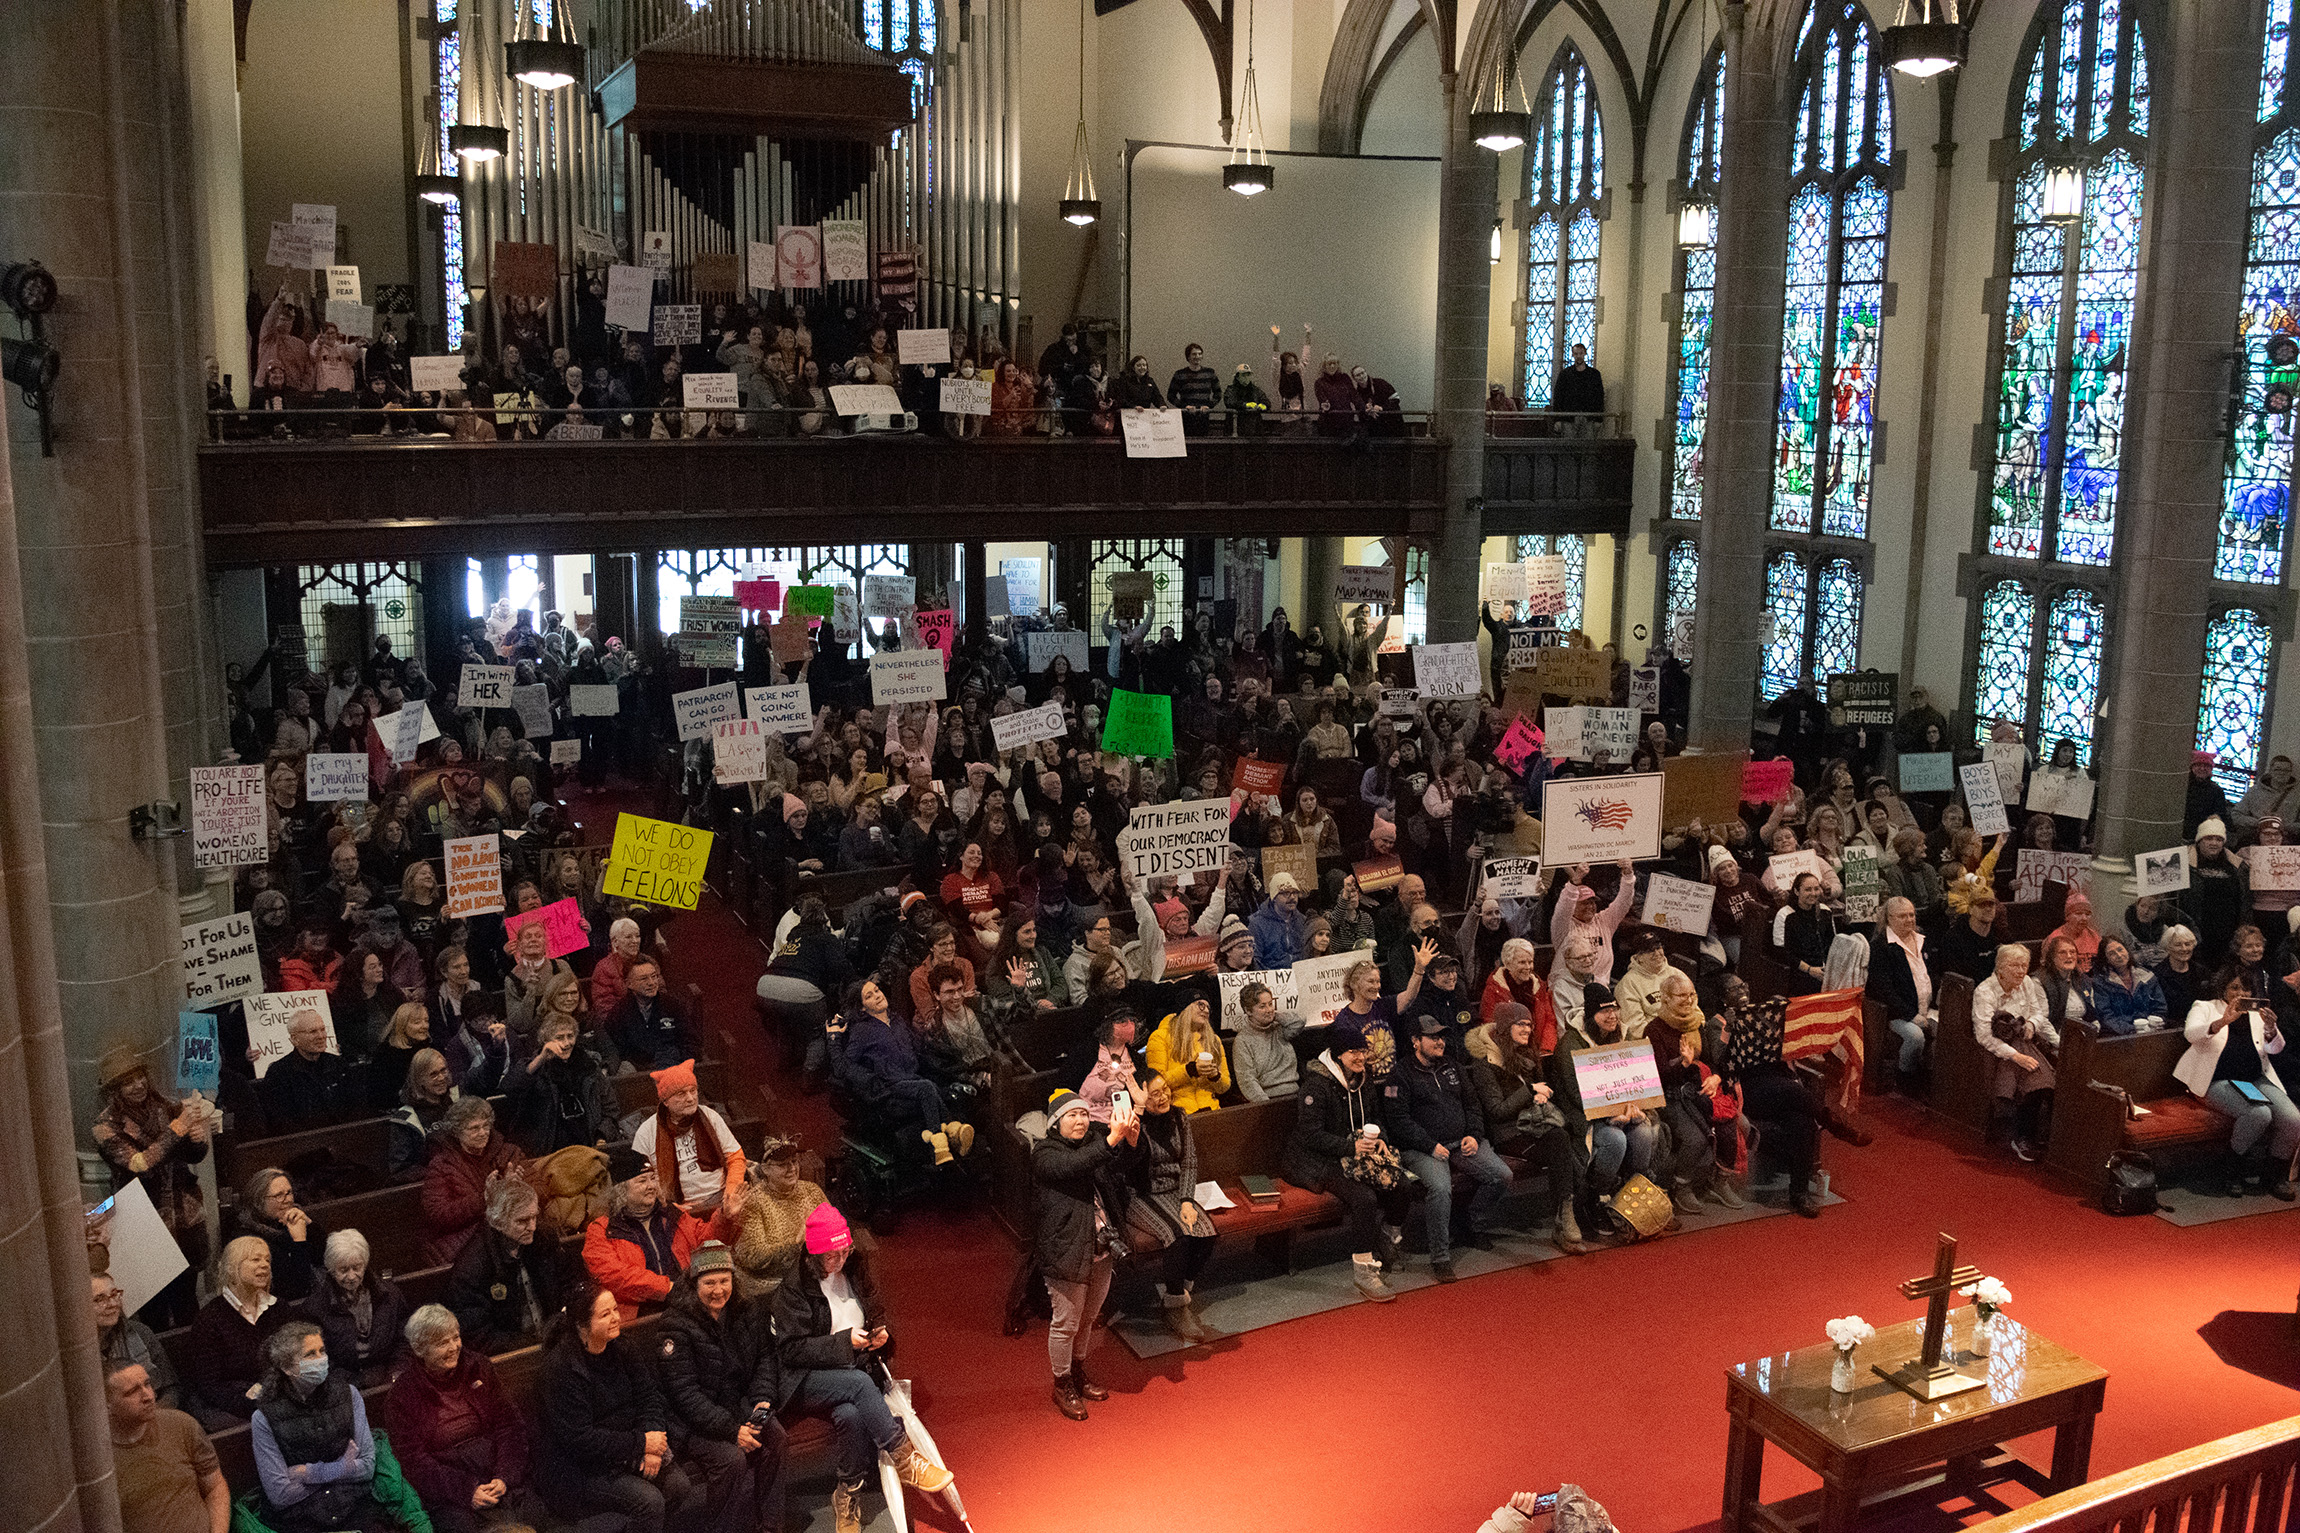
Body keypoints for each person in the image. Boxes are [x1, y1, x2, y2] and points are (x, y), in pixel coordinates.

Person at [772, 1204, 951, 1525]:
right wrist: (845, 1343)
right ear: (813, 1255)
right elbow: (791, 1351)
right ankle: (905, 1458)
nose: (840, 1261)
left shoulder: (854, 1268)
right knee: (859, 1386)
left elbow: (875, 1309)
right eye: (832, 1256)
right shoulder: (793, 1289)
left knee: (851, 1415)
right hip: (804, 1379)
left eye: (845, 1251)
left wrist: (881, 1334)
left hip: (850, 1372)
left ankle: (847, 1493)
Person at [539, 1279, 709, 1533]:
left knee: (678, 1486)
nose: (616, 1318)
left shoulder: (621, 1347)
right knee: (648, 1502)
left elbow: (649, 1396)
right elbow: (580, 1438)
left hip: (631, 1446)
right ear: (582, 1325)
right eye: (605, 1314)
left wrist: (651, 1443)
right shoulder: (562, 1368)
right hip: (585, 1468)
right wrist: (640, 1443)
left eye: (616, 1309)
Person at [658, 1241, 790, 1533]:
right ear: (694, 1284)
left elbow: (765, 1358)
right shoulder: (675, 1325)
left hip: (736, 1406)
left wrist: (763, 1400)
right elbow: (685, 1396)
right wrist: (733, 1431)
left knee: (775, 1437)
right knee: (731, 1460)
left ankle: (770, 1526)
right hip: (690, 1422)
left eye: (724, 1281)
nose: (718, 1290)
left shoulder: (747, 1310)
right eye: (709, 1283)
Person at [386, 1305, 551, 1533]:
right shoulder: (403, 1394)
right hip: (450, 1492)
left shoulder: (478, 1367)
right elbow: (414, 1461)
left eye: (456, 1337)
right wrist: (466, 1490)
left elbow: (509, 1425)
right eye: (442, 1343)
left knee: (532, 1517)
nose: (454, 1347)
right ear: (419, 1349)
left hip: (496, 1473)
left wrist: (504, 1476)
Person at [1283, 1020, 1412, 1300]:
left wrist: (1381, 1140)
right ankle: (1364, 1271)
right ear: (1337, 1055)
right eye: (1352, 1051)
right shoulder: (1316, 1087)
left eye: (1362, 1051)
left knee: (1402, 1185)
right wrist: (1351, 1147)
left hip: (1357, 1154)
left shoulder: (1363, 1081)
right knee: (1364, 1199)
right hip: (1317, 1161)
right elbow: (1310, 1137)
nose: (1359, 1057)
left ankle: (1387, 1236)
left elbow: (1377, 1118)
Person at [1385, 1015, 1514, 1280]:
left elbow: (1472, 1105)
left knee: (1502, 1176)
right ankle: (1440, 1256)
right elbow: (1398, 1121)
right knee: (1441, 1188)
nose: (1439, 1041)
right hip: (1421, 1149)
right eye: (1433, 1037)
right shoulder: (1399, 1074)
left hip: (1461, 1143)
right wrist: (1430, 1145)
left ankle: (1469, 1221)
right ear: (1415, 1041)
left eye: (1441, 1036)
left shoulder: (1452, 1066)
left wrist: (1474, 1135)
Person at [92, 1043, 211, 1327]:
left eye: (139, 1077)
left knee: (186, 1298)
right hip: (141, 1218)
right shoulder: (104, 1127)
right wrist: (178, 1129)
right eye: (127, 1082)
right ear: (114, 1091)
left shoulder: (167, 1107)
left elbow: (192, 1156)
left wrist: (197, 1140)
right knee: (154, 1304)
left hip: (183, 1214)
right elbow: (139, 1164)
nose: (138, 1085)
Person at [1033, 1090, 1136, 1414]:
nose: (1079, 1121)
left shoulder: (1095, 1140)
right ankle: (1061, 1384)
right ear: (1055, 1123)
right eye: (1071, 1116)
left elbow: (1123, 1168)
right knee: (1066, 1321)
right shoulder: (1045, 1153)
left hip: (1101, 1246)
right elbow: (1072, 1166)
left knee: (1089, 1317)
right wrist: (1110, 1142)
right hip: (1066, 1248)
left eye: (1082, 1114)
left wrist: (1130, 1140)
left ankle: (1078, 1371)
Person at [248, 1322, 393, 1533]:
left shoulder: (348, 1394)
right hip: (300, 1519)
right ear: (287, 1368)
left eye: (322, 1351)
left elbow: (367, 1467)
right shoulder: (264, 1417)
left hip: (353, 1507)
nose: (321, 1359)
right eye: (310, 1354)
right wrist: (344, 1467)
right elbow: (280, 1495)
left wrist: (310, 1472)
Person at [1113, 1071, 1221, 1341]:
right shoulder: (1130, 1120)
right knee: (1177, 1236)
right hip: (1140, 1194)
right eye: (1155, 1094)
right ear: (1141, 1095)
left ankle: (1179, 1292)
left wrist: (1186, 1199)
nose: (1163, 1098)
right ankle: (1176, 1307)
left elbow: (1189, 1162)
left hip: (1175, 1192)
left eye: (1166, 1091)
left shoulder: (1179, 1117)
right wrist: (1136, 1114)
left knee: (1206, 1233)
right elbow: (1126, 1165)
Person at [582, 1144, 730, 1322]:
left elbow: (705, 1241)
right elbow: (614, 1275)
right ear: (621, 1190)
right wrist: (666, 1287)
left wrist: (725, 1217)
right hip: (639, 1314)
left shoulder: (672, 1214)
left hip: (687, 1303)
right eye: (642, 1181)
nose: (651, 1186)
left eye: (653, 1179)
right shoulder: (602, 1229)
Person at [106, 1357, 232, 1533]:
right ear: (107, 1405)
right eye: (132, 1391)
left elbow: (215, 1487)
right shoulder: (100, 1459)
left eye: (147, 1384)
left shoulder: (181, 1424)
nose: (148, 1396)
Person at [446, 1174, 566, 1354]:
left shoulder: (544, 1239)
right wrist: (524, 1346)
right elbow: (478, 1335)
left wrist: (563, 1323)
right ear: (498, 1222)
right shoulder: (472, 1266)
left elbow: (569, 1281)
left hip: (557, 1341)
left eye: (534, 1217)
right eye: (522, 1221)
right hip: (513, 1354)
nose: (532, 1226)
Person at [186, 1235, 290, 1428]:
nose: (265, 1265)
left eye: (267, 1260)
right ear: (233, 1267)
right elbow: (209, 1385)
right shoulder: (210, 1319)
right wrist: (252, 1400)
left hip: (277, 1396)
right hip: (235, 1404)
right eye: (255, 1259)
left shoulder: (279, 1308)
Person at [1972, 943, 2059, 1162]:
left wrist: (2031, 1023)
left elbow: (2038, 1013)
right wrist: (2015, 1055)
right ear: (1999, 968)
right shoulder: (1984, 991)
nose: (2020, 971)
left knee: (2042, 1078)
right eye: (2014, 965)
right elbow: (1984, 1036)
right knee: (2031, 1079)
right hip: (1997, 1049)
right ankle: (2020, 1136)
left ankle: (2034, 1133)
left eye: (2024, 965)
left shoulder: (2027, 982)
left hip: (2027, 1042)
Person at [633, 1056, 747, 1214]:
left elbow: (735, 1157)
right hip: (673, 1208)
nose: (690, 1098)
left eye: (693, 1091)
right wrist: (668, 1207)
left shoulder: (709, 1116)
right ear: (665, 1101)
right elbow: (641, 1182)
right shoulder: (646, 1132)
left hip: (720, 1198)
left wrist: (731, 1194)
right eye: (681, 1094)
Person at [420, 1095, 525, 1265]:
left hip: (512, 1233)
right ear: (457, 1132)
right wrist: (485, 1197)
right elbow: (438, 1215)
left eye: (485, 1126)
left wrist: (517, 1188)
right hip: (467, 1240)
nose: (482, 1133)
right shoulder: (442, 1165)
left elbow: (541, 1188)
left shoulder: (509, 1153)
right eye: (474, 1128)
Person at [300, 1229, 409, 1387]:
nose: (351, 1277)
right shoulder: (315, 1308)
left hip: (388, 1376)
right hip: (341, 1386)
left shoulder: (390, 1295)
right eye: (343, 1270)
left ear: (365, 1265)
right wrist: (354, 1383)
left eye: (356, 1268)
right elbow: (317, 1358)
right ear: (331, 1270)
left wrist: (397, 1371)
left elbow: (405, 1338)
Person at [728, 1135, 828, 1299]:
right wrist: (798, 1244)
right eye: (782, 1165)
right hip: (769, 1286)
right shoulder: (752, 1202)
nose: (792, 1169)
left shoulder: (812, 1191)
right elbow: (753, 1256)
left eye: (794, 1161)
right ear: (765, 1169)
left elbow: (833, 1231)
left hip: (811, 1276)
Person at [502, 1012, 617, 1154]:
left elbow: (610, 1109)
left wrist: (602, 1136)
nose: (566, 1043)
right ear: (546, 1041)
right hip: (550, 1148)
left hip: (588, 1144)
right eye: (559, 1038)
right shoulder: (535, 1066)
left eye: (570, 1036)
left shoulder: (589, 1066)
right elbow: (509, 1087)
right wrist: (541, 1058)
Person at [1868, 896, 1938, 1091]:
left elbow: (1934, 973)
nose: (1909, 920)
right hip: (1898, 1013)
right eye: (1902, 916)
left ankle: (1932, 1078)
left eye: (1912, 915)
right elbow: (1883, 990)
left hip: (1928, 1008)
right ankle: (1905, 1078)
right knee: (1915, 1037)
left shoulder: (1923, 939)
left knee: (1949, 1033)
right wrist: (1911, 1015)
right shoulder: (1881, 947)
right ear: (1888, 918)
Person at [234, 1167, 330, 1303]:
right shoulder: (249, 1240)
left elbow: (325, 1257)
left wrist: (309, 1224)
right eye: (278, 1196)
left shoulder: (288, 1220)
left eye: (289, 1193)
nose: (287, 1200)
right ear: (258, 1201)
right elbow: (298, 1289)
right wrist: (299, 1242)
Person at [95, 1270, 183, 1410]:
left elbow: (171, 1388)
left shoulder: (141, 1333)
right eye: (99, 1299)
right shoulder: (77, 1354)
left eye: (114, 1294)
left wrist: (152, 1415)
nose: (112, 1303)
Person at [259, 1010, 356, 1133]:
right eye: (313, 1031)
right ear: (294, 1039)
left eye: (322, 1029)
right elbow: (280, 1121)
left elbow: (357, 1105)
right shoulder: (278, 1073)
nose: (321, 1036)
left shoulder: (339, 1064)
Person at [604, 957, 699, 1071]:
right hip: (637, 1071)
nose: (652, 983)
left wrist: (681, 1064)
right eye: (644, 979)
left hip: (672, 1066)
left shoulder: (672, 1005)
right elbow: (615, 1049)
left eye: (654, 976)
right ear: (628, 984)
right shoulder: (619, 1012)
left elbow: (690, 1041)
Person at [1145, 997, 1231, 1113]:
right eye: (1200, 1005)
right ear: (1184, 1007)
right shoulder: (1160, 1037)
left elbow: (1224, 1086)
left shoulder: (1214, 1040)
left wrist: (1214, 1076)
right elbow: (1156, 1086)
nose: (1205, 1010)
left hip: (1212, 1111)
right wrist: (1189, 1071)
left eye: (1208, 1008)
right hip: (1179, 1113)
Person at [1231, 980, 1306, 1102]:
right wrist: (1266, 1105)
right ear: (1248, 1011)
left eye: (1270, 1004)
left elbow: (1300, 1022)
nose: (1269, 1009)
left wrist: (1275, 1016)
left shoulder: (1279, 1029)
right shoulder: (1242, 1041)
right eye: (1262, 1006)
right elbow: (1247, 1080)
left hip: (1295, 1093)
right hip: (1269, 1099)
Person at [2091, 935, 2168, 1036]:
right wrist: (2132, 1030)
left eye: (2120, 950)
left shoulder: (2147, 976)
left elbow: (2160, 1008)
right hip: (2120, 1036)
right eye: (2112, 953)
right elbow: (2106, 1017)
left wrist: (2154, 1024)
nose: (2118, 955)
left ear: (2127, 951)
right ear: (2106, 959)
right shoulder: (2100, 983)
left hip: (2151, 1031)